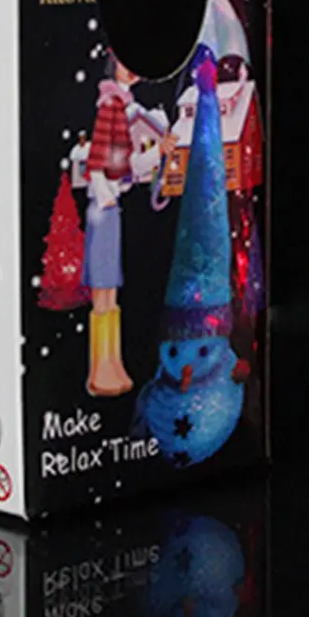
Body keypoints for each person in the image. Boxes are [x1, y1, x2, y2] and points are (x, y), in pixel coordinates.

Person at [82, 51, 177, 396]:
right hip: (104, 207)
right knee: (103, 288)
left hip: (111, 207)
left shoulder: (121, 106)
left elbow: (131, 165)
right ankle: (101, 370)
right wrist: (106, 196)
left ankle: (111, 364)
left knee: (111, 288)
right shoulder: (110, 105)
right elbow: (97, 163)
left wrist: (159, 151)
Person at [68, 131, 90, 224]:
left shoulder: (89, 147)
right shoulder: (75, 149)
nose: (82, 140)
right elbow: (73, 160)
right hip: (79, 182)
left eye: (83, 138)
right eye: (80, 138)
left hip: (89, 183)